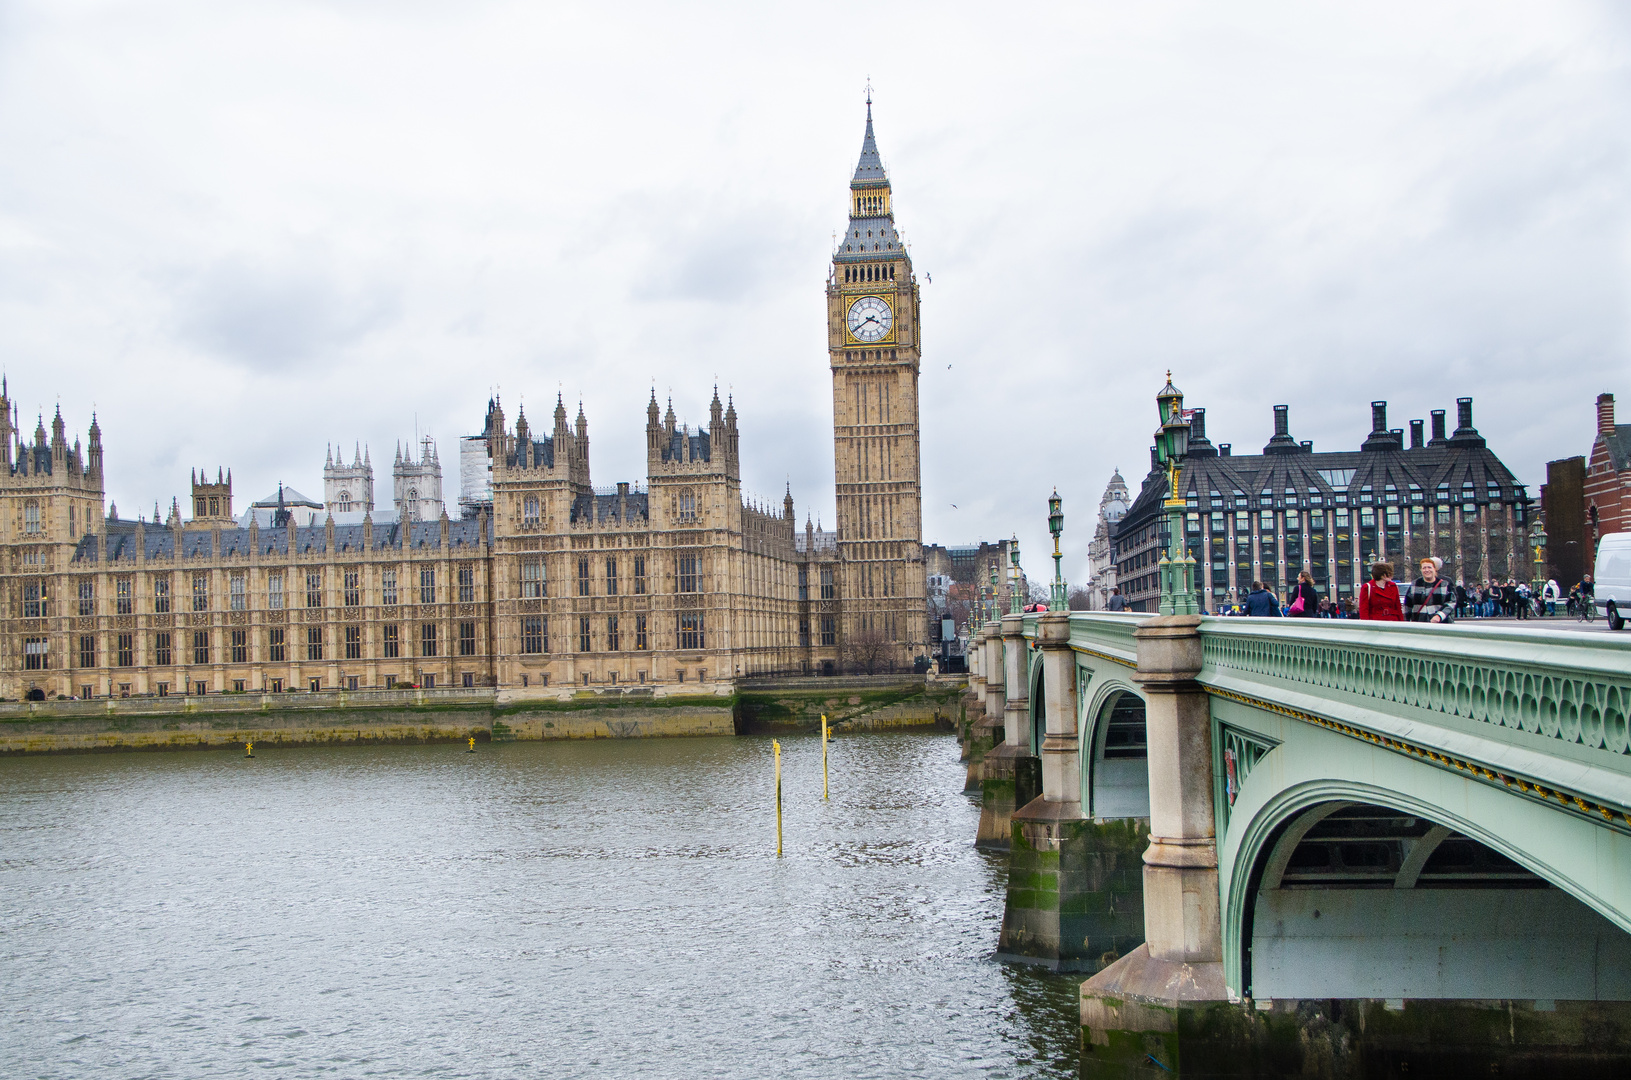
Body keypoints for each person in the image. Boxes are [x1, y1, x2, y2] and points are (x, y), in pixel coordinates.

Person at [1405, 557, 1455, 623]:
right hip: (1420, 623)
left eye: (1429, 567)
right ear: (1421, 570)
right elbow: (1407, 605)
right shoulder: (1414, 584)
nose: (1427, 570)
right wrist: (1406, 621)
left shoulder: (1444, 584)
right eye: (1424, 568)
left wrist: (1439, 616)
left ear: (1434, 569)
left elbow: (1451, 602)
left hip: (1441, 623)